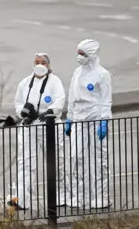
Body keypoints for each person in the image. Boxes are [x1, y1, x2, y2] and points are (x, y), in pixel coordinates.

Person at [8, 53, 67, 210]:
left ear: (48, 65)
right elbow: (19, 103)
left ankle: (59, 196)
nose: (40, 65)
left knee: (55, 161)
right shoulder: (25, 83)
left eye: (43, 62)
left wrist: (48, 112)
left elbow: (60, 100)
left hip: (49, 126)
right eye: (36, 62)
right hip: (29, 128)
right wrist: (25, 112)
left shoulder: (55, 82)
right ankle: (22, 199)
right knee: (26, 163)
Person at [64, 39, 112, 209]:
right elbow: (71, 95)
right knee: (76, 157)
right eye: (78, 53)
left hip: (95, 119)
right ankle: (80, 196)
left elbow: (106, 100)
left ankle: (100, 196)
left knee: (99, 158)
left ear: (91, 55)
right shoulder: (77, 72)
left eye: (83, 54)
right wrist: (69, 117)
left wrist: (104, 121)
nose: (79, 57)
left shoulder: (102, 74)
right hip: (78, 119)